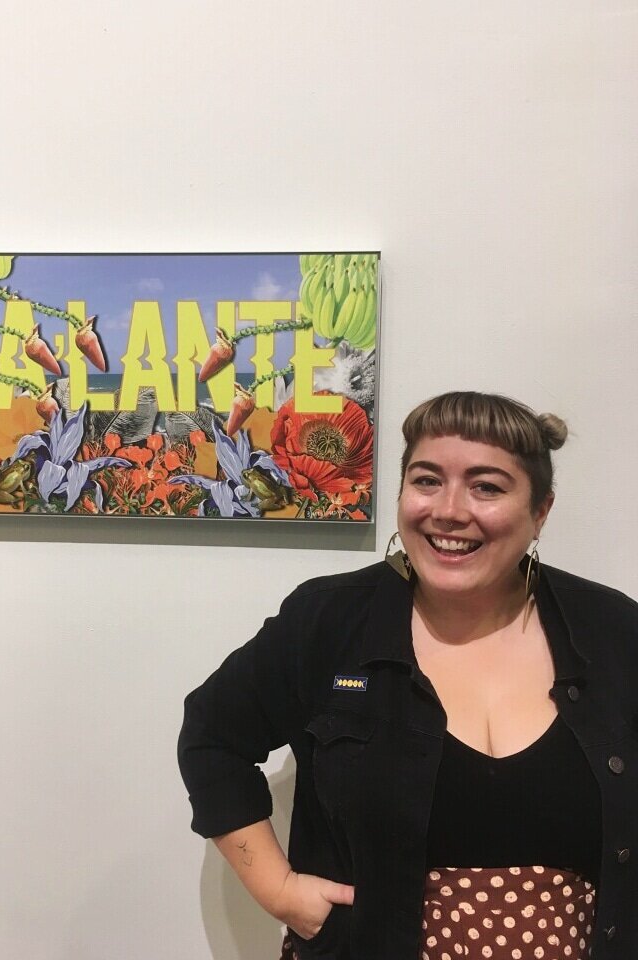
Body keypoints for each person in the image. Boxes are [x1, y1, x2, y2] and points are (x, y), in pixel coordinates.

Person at [178, 391, 638, 960]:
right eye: (426, 480)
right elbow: (212, 736)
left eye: (486, 487)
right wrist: (279, 890)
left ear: (540, 511)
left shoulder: (612, 630)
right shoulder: (327, 622)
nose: (449, 510)